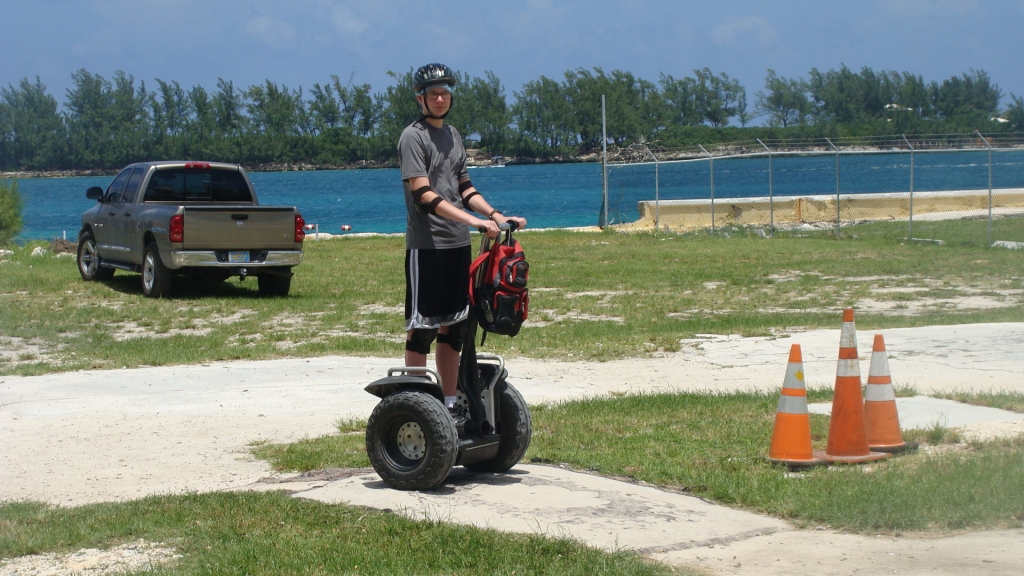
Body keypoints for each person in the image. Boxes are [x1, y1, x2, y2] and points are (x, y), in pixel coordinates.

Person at [398, 63, 527, 418]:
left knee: (454, 328)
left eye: (445, 94)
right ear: (420, 98)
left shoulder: (453, 135)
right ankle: (416, 406)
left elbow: (465, 188)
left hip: (457, 246)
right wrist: (473, 221)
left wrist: (496, 216)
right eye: (433, 94)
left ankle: (451, 404)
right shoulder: (413, 137)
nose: (440, 99)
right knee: (421, 328)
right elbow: (423, 194)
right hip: (427, 246)